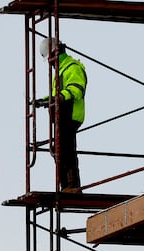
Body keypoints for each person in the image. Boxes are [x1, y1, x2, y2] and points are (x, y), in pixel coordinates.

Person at [35, 37, 87, 193]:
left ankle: (72, 185)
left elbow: (77, 89)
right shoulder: (61, 71)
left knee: (66, 149)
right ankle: (65, 185)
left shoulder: (72, 67)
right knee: (59, 149)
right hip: (61, 116)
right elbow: (58, 93)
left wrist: (60, 97)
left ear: (55, 54)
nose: (50, 63)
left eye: (50, 59)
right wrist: (45, 100)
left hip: (70, 115)